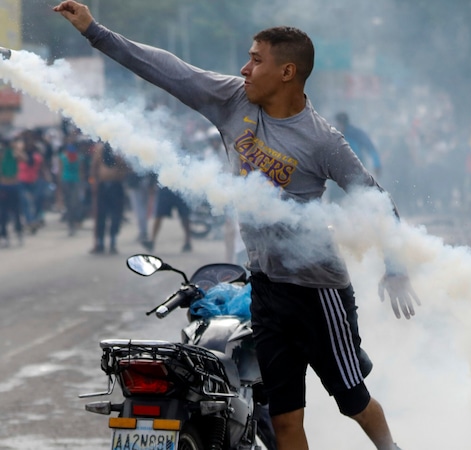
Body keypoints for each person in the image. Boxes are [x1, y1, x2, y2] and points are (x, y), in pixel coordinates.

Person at [55, 3, 419, 449]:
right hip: (266, 289)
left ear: (287, 72)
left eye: (256, 60)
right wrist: (95, 31)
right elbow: (169, 70)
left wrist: (396, 264)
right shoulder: (233, 99)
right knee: (284, 420)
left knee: (353, 400)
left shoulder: (323, 140)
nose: (244, 68)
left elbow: (375, 201)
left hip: (318, 292)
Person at [89, 142, 128, 254]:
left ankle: (112, 242)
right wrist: (93, 183)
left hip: (116, 186)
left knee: (116, 216)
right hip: (102, 186)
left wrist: (120, 161)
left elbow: (125, 168)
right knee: (101, 215)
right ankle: (100, 243)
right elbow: (94, 168)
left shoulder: (120, 149)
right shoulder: (100, 150)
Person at [142, 185, 193, 253]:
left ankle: (187, 241)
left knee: (184, 215)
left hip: (180, 186)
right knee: (159, 214)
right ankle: (152, 241)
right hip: (167, 187)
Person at [334, 112, 382, 177]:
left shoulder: (355, 134)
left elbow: (371, 148)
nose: (337, 126)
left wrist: (377, 165)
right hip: (339, 168)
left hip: (357, 166)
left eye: (339, 123)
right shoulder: (334, 135)